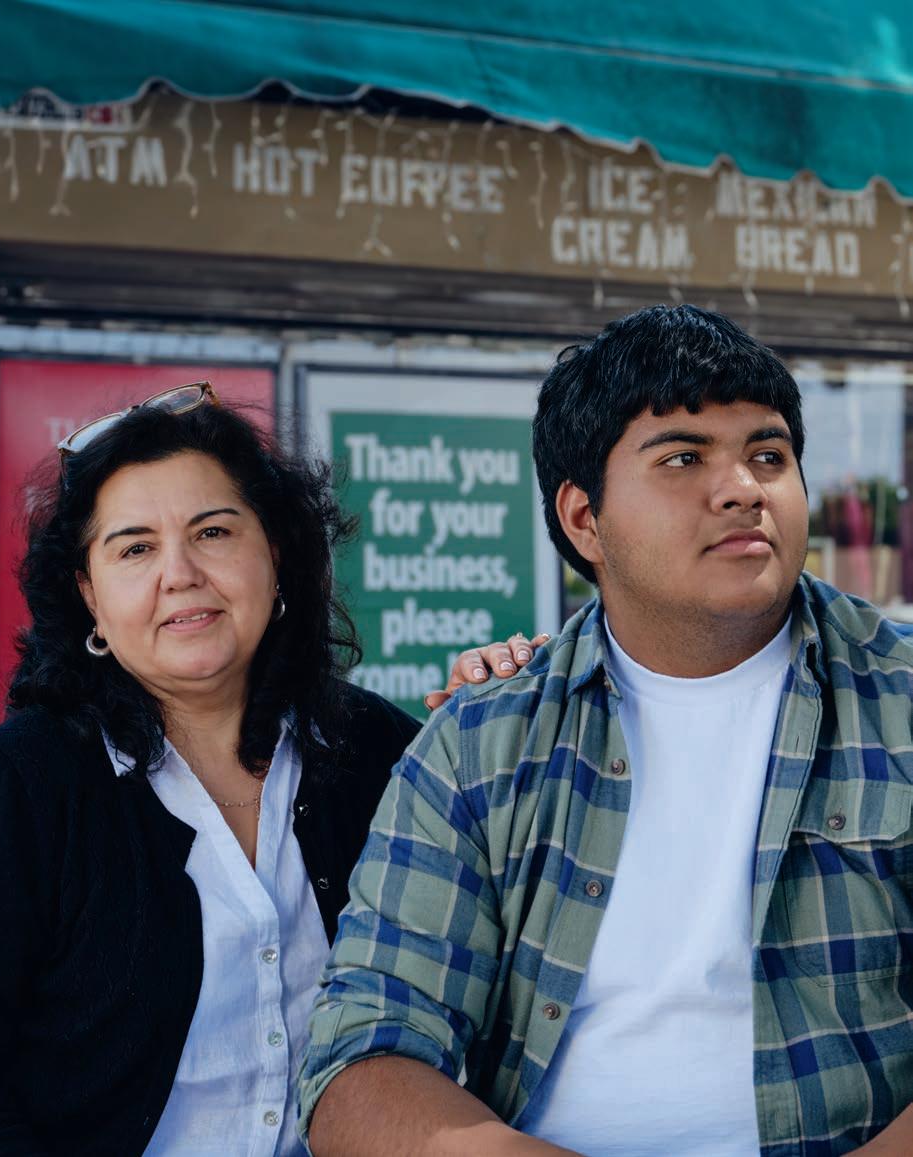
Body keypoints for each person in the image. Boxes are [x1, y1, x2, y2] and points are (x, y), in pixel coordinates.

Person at [299, 305, 913, 1157]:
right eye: (683, 458)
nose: (742, 487)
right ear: (583, 518)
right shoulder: (482, 743)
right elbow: (361, 1059)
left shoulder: (895, 699)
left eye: (768, 455)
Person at [0, 383, 539, 1156]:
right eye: (135, 548)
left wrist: (500, 723)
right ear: (89, 595)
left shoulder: (374, 751)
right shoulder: (18, 789)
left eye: (213, 531)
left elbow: (510, 959)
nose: (180, 572)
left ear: (276, 553)